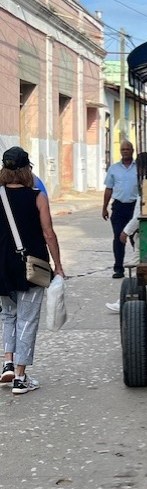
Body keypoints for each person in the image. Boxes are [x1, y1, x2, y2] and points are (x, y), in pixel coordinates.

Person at [0, 146, 64, 393]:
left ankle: (7, 363)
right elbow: (48, 233)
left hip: (3, 267)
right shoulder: (37, 196)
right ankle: (20, 377)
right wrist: (58, 265)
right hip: (31, 266)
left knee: (8, 315)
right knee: (27, 319)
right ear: (28, 169)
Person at [105, 152, 147, 313]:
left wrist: (126, 231)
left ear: (140, 167)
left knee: (133, 268)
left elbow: (141, 213)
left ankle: (126, 300)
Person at [102, 140, 138, 279]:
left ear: (132, 150)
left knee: (136, 238)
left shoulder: (138, 168)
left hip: (135, 207)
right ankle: (118, 268)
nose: (125, 151)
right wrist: (104, 208)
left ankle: (138, 267)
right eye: (123, 149)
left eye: (128, 149)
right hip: (119, 207)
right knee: (118, 238)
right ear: (120, 151)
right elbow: (109, 188)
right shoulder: (114, 169)